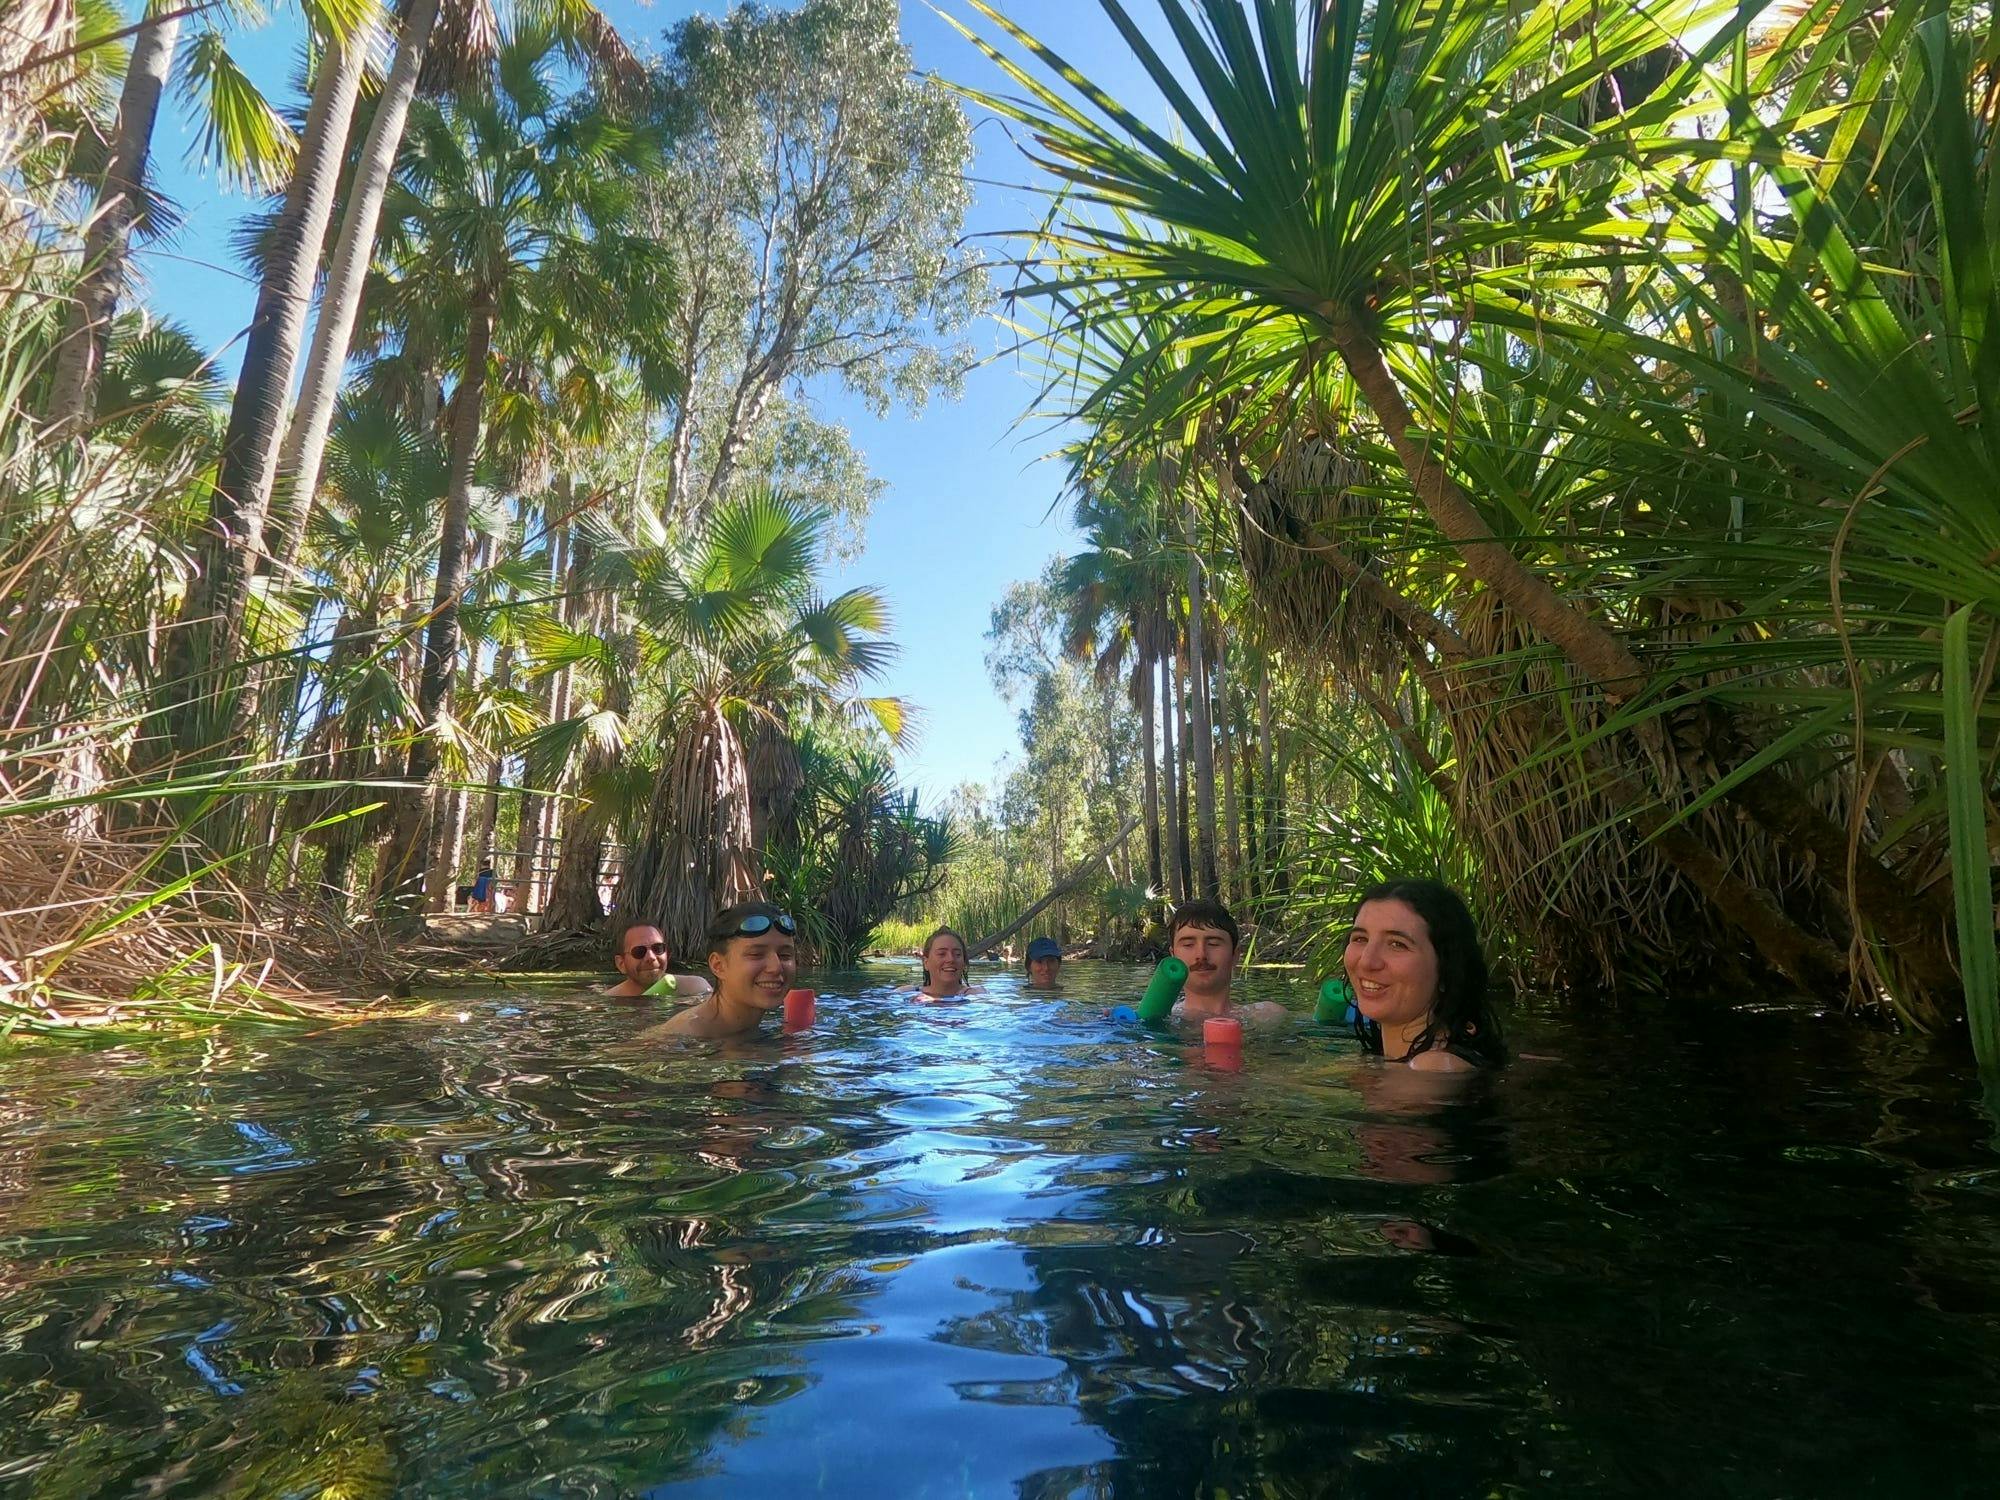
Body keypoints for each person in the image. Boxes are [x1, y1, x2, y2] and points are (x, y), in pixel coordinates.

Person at [1344, 878, 1504, 1071]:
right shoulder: (1386, 1061)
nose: (1367, 961)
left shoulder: (1431, 1067)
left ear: (1447, 969)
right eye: (1360, 938)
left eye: (1397, 944)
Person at [645, 903, 799, 1039]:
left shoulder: (761, 1027)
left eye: (785, 955)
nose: (776, 967)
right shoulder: (682, 1036)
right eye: (756, 955)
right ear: (718, 966)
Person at [1167, 899, 1287, 1025]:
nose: (1201, 955)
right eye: (1188, 944)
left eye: (1213, 944)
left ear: (1235, 955)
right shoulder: (1159, 1018)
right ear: (1173, 957)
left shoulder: (1268, 1016)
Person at [606, 921, 713, 999]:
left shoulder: (695, 988)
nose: (651, 957)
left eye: (658, 948)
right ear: (621, 964)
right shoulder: (610, 1002)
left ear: (667, 954)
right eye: (639, 951)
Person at [917, 926, 973, 1000]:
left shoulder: (977, 996)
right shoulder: (908, 994)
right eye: (941, 954)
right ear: (926, 962)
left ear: (964, 963)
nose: (951, 959)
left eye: (957, 954)